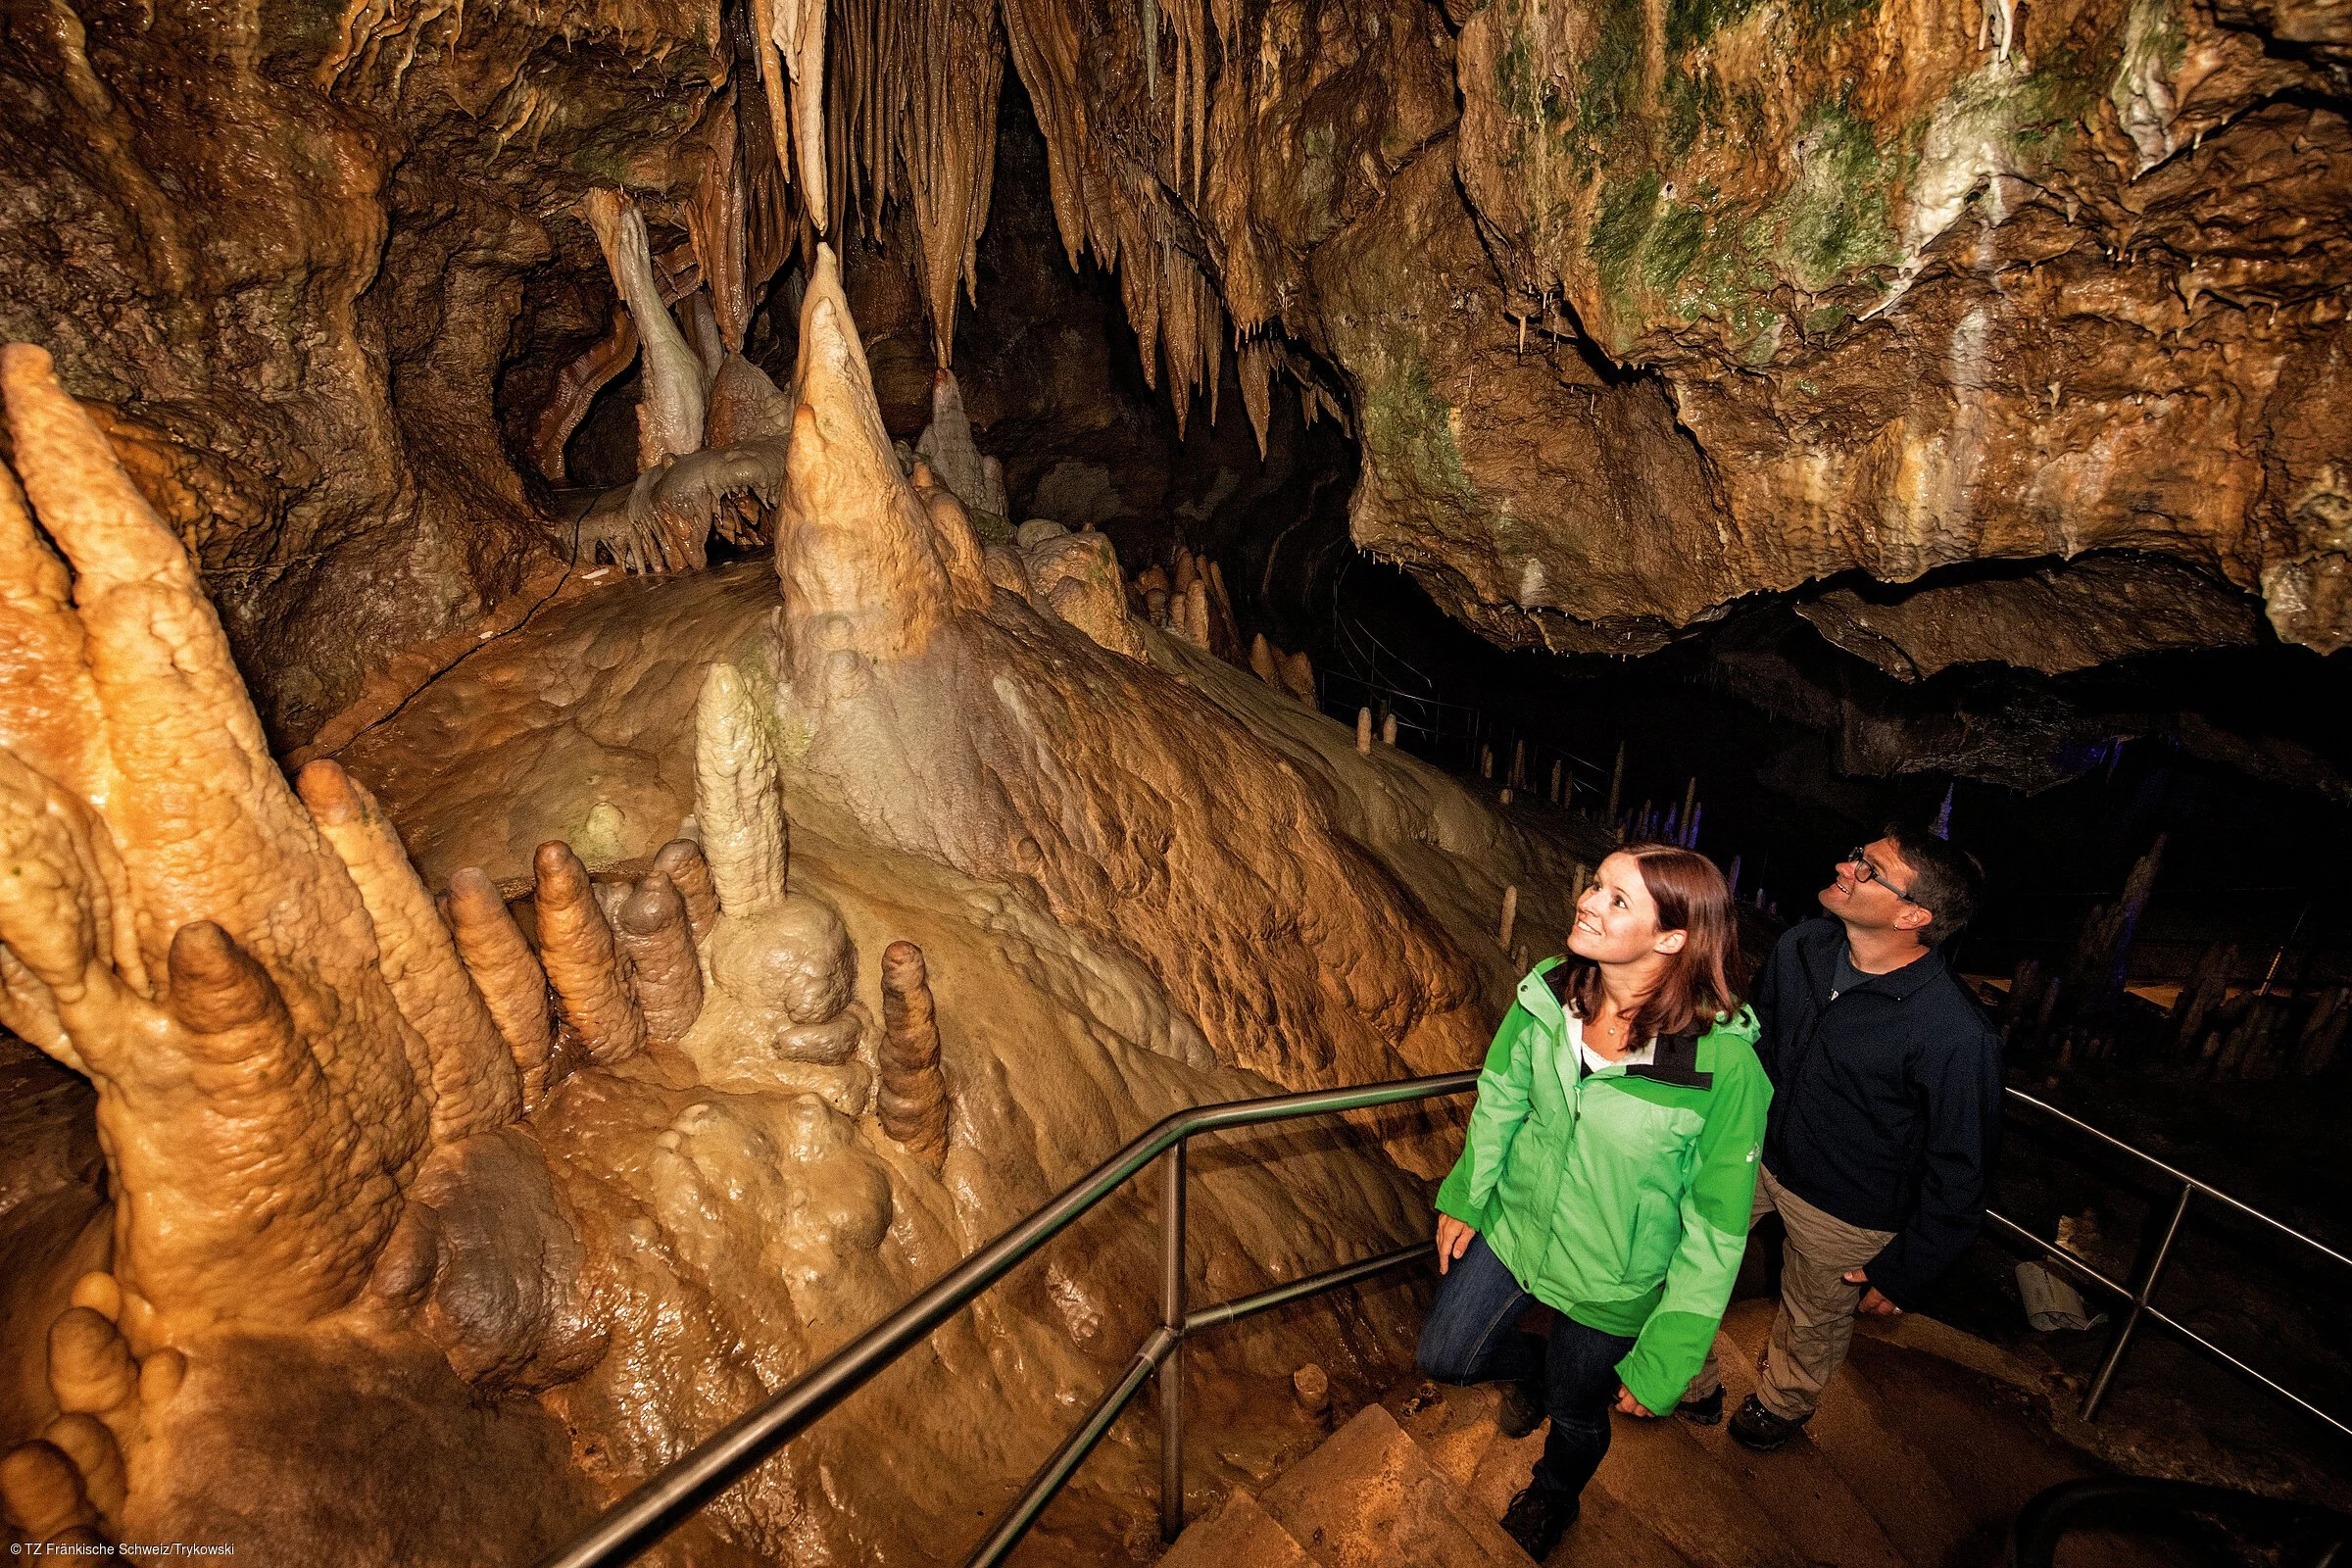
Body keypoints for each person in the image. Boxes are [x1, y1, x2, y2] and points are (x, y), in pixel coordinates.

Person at [1418, 845, 1771, 1560]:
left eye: (1617, 899)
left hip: (1616, 1279)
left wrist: (1670, 1354)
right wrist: (1467, 1193)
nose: (1587, 900)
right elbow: (1503, 1098)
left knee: (1580, 1412)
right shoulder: (1551, 990)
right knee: (1447, 1356)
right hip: (1518, 1230)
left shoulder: (1719, 1065)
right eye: (1596, 885)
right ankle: (1533, 1373)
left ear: (1671, 938)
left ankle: (1553, 1496)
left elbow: (1716, 1228)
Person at [1682, 825, 2002, 1452]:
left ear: (1913, 916)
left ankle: (1783, 1405)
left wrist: (1909, 1270)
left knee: (1814, 1318)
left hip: (1848, 1207)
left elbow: (1961, 1166)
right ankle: (1688, 1379)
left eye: (1869, 869)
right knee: (1682, 1260)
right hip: (1754, 1154)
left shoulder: (1957, 1035)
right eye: (1858, 855)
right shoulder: (1802, 946)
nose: (1845, 866)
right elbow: (1760, 1046)